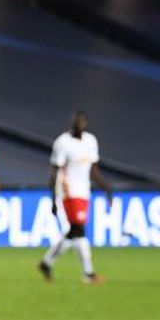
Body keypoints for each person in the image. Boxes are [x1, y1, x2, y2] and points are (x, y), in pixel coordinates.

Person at [39, 110, 111, 284]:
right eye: (75, 123)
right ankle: (88, 273)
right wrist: (53, 199)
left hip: (84, 191)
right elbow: (54, 171)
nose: (78, 126)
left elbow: (93, 168)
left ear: (85, 124)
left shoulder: (91, 141)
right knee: (79, 230)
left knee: (73, 232)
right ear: (70, 124)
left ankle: (47, 262)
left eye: (81, 123)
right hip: (68, 190)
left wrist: (106, 187)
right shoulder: (62, 143)